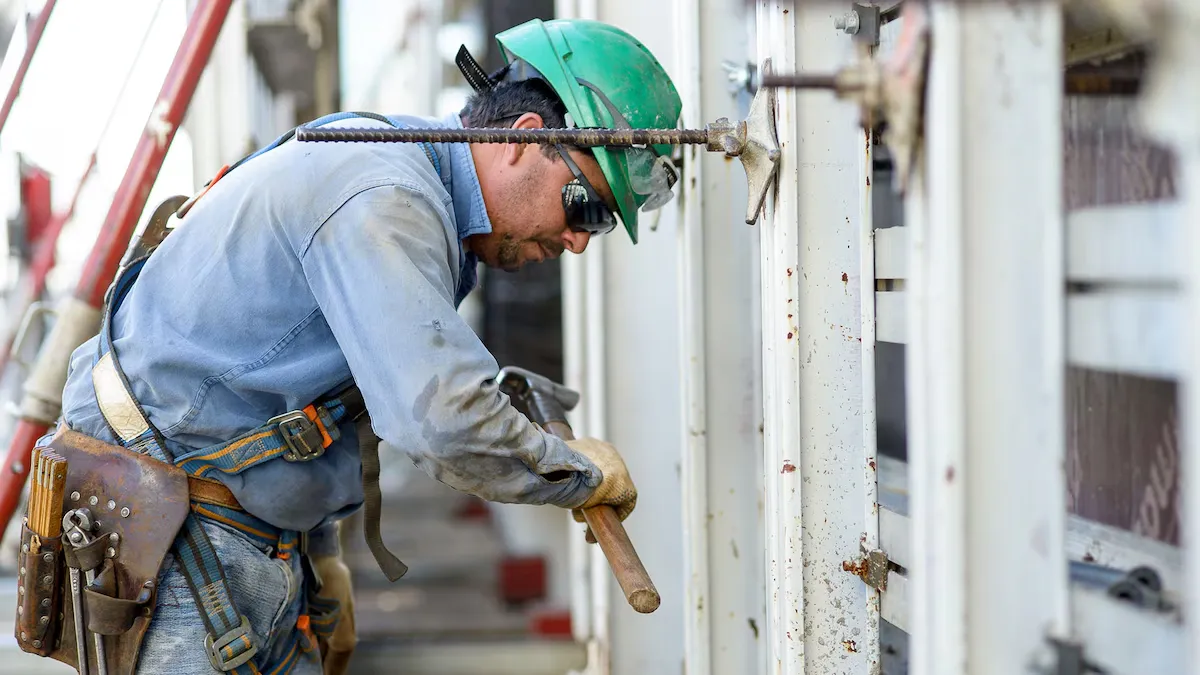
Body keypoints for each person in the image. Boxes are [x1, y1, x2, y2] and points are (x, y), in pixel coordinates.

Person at [44, 17, 681, 675]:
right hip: (175, 527)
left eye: (598, 226)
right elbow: (441, 419)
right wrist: (575, 470)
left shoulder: (415, 184)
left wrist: (319, 553)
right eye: (584, 207)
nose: (577, 240)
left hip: (235, 526)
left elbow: (294, 391)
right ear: (525, 141)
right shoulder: (387, 197)